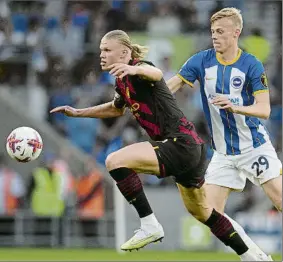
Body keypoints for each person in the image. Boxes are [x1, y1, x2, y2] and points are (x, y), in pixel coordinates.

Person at [51, 29, 267, 261]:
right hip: (190, 148)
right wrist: (78, 113)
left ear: (124, 53)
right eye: (101, 50)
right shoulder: (122, 81)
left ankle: (149, 224)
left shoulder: (139, 69)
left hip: (179, 143)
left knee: (114, 161)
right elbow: (115, 108)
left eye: (106, 50)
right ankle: (252, 257)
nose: (101, 54)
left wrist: (134, 68)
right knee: (203, 212)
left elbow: (155, 73)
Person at [167, 7, 281, 260]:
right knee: (208, 213)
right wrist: (146, 92)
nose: (214, 36)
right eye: (212, 32)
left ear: (235, 33)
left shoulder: (251, 64)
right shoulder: (200, 61)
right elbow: (170, 87)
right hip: (223, 154)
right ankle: (257, 257)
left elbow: (264, 109)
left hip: (254, 147)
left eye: (220, 32)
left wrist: (235, 106)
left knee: (280, 200)